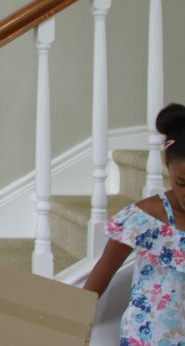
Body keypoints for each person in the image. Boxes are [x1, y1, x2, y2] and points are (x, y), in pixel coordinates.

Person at [84, 102, 185, 344]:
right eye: (181, 183)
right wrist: (72, 319)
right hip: (146, 338)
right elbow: (106, 268)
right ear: (166, 164)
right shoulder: (147, 215)